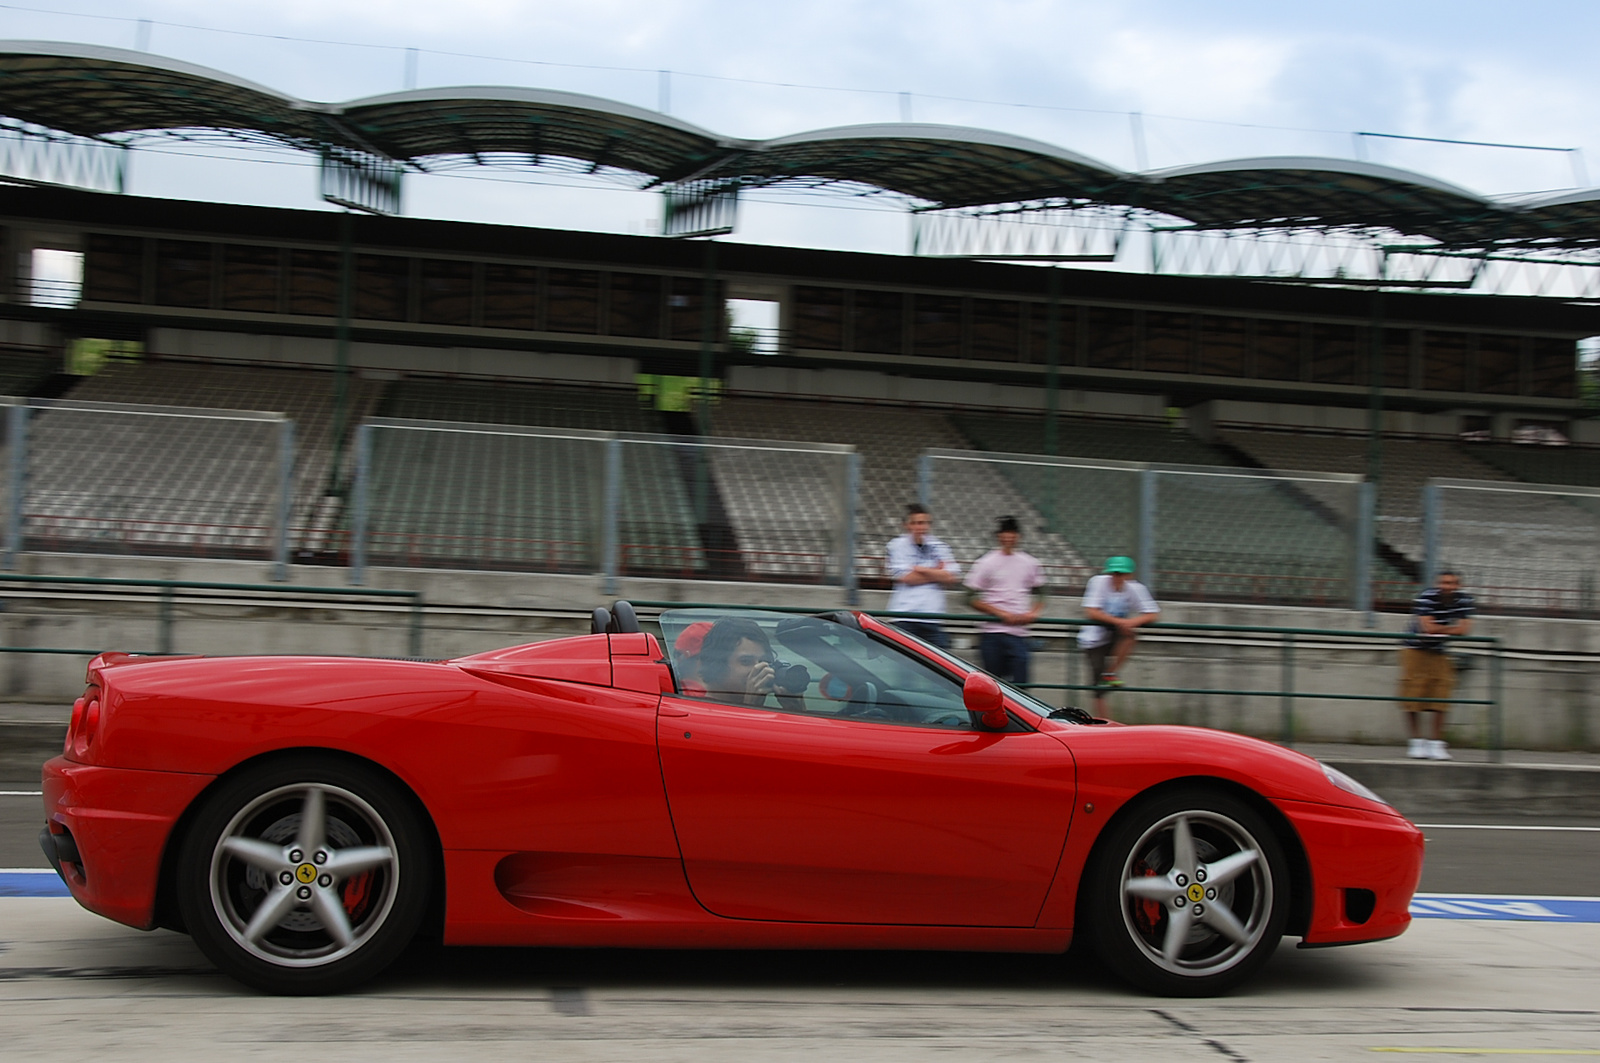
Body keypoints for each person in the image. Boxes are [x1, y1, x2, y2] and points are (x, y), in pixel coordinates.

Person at [1399, 570, 1475, 760]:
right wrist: (1452, 630)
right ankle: (1416, 742)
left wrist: (1441, 630)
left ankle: (1436, 743)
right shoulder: (1427, 597)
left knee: (1441, 695)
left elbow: (1465, 629)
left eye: (1451, 583)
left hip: (1439, 650)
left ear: (1458, 586)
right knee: (1412, 693)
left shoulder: (1464, 600)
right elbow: (1427, 628)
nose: (1446, 586)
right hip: (1414, 648)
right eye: (1443, 582)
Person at [965, 515, 1047, 685]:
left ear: (1019, 536)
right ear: (999, 536)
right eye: (1005, 533)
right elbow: (968, 596)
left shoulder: (1030, 563)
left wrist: (1034, 612)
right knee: (992, 685)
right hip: (992, 632)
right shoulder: (986, 562)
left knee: (1021, 685)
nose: (1009, 538)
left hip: (1018, 633)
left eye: (1012, 533)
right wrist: (998, 613)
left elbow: (1042, 591)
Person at [1078, 555, 1160, 719]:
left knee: (1130, 635)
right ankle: (1103, 720)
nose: (1117, 577)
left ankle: (1111, 672)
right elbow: (1091, 611)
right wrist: (1120, 622)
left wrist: (1131, 622)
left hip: (1115, 631)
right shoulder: (1098, 582)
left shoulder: (1135, 588)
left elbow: (1153, 613)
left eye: (1121, 574)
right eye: (1114, 573)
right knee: (1098, 688)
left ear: (1128, 575)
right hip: (1094, 637)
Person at [885, 503, 961, 648]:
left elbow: (952, 577)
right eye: (918, 523)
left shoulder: (939, 546)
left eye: (925, 523)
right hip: (905, 616)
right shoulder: (896, 545)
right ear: (908, 525)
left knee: (942, 666)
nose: (922, 527)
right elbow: (906, 578)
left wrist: (921, 569)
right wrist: (937, 571)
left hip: (933, 616)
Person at [685, 617, 803, 709]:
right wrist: (751, 707)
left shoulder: (772, 714)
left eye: (764, 661)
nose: (759, 668)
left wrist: (796, 710)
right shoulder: (698, 712)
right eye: (746, 662)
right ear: (716, 666)